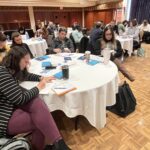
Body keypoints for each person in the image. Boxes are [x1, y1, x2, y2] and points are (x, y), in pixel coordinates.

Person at [0, 46, 70, 150]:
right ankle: (58, 145)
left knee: (37, 103)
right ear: (15, 60)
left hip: (12, 108)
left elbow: (26, 75)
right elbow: (20, 99)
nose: (28, 64)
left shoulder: (12, 69)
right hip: (4, 119)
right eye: (25, 61)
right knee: (41, 121)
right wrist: (38, 87)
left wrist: (41, 78)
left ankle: (58, 144)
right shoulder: (2, 74)